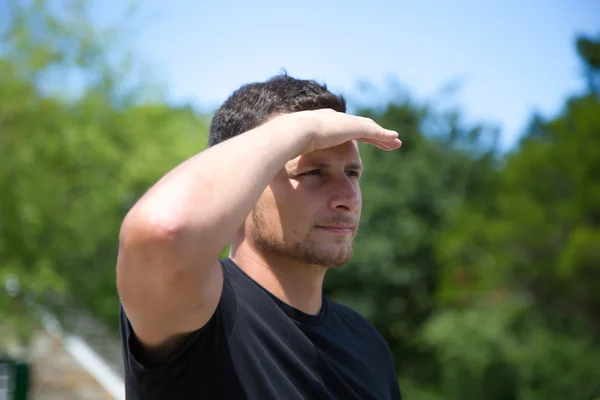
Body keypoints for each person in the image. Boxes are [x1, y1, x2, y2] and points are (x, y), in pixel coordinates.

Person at [116, 73, 403, 399]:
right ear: (244, 187)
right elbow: (163, 230)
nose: (347, 197)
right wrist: (301, 130)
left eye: (352, 173)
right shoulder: (203, 309)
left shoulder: (367, 344)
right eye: (313, 172)